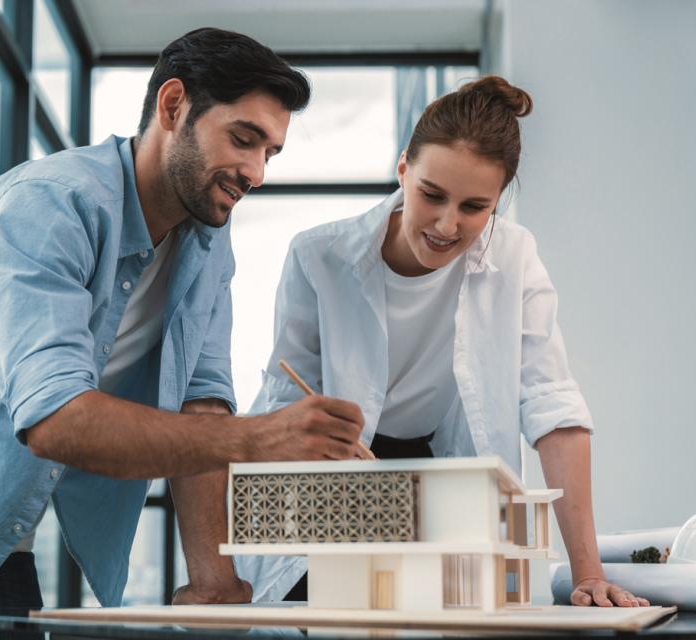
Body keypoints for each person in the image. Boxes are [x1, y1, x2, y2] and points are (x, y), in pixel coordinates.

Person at [0, 28, 368, 639]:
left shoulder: (209, 245)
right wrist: (259, 440)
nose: (255, 172)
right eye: (243, 140)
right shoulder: (51, 204)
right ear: (173, 107)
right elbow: (55, 417)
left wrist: (215, 584)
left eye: (270, 153)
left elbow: (203, 403)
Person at [236, 76, 650, 609]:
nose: (446, 225)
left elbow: (553, 406)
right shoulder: (320, 257)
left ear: (498, 201)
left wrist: (587, 572)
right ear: (404, 167)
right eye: (432, 195)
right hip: (338, 469)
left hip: (446, 472)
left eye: (475, 207)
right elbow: (286, 408)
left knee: (471, 608)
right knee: (333, 608)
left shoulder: (514, 257)